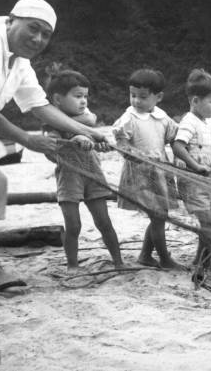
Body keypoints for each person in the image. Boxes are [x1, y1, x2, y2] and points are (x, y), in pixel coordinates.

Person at [0, 0, 107, 291]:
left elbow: (38, 105)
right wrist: (28, 139)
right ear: (11, 21)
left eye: (46, 34)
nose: (38, 39)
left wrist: (87, 131)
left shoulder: (18, 60)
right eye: (33, 29)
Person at [43, 65, 124, 273]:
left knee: (104, 222)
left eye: (85, 96)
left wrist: (100, 145)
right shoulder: (52, 125)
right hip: (69, 178)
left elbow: (93, 136)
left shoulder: (86, 120)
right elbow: (49, 151)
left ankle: (118, 262)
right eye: (77, 96)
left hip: (93, 174)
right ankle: (72, 264)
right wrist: (73, 139)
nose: (83, 101)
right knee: (74, 225)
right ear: (58, 99)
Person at [112, 68, 184, 270]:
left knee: (159, 216)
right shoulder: (129, 119)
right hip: (141, 174)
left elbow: (175, 139)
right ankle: (164, 258)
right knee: (158, 216)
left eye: (142, 97)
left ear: (158, 97)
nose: (136, 101)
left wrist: (180, 158)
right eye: (132, 95)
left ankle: (145, 255)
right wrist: (140, 156)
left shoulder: (162, 118)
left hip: (160, 172)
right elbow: (122, 146)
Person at [172, 69, 211, 270]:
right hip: (193, 180)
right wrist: (196, 166)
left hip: (207, 179)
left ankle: (202, 257)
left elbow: (204, 148)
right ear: (195, 101)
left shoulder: (205, 122)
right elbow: (178, 146)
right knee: (209, 219)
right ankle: (206, 258)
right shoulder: (189, 122)